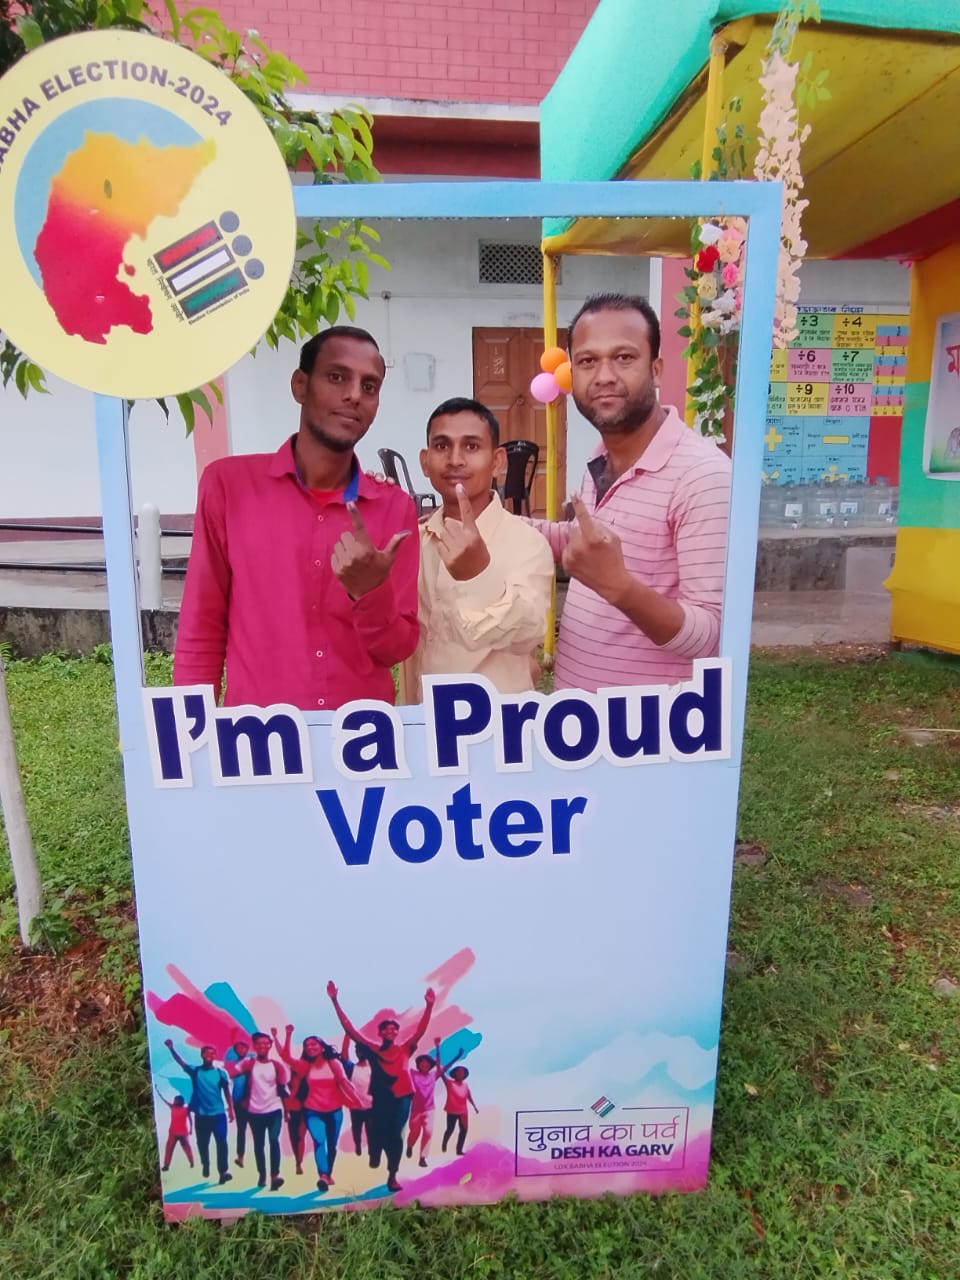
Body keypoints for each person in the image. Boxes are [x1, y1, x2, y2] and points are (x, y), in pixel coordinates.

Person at [174, 325, 420, 710]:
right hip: (260, 739)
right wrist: (190, 733)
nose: (354, 395)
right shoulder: (230, 487)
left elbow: (397, 649)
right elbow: (202, 625)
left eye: (369, 386)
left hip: (360, 743)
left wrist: (370, 592)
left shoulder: (394, 507)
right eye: (337, 377)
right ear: (300, 386)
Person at [530, 294, 731, 691]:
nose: (604, 375)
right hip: (580, 723)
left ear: (656, 370)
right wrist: (486, 523)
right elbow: (578, 542)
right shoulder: (602, 457)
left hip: (645, 737)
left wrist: (620, 587)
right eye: (588, 361)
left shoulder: (702, 475)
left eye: (624, 358)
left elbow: (711, 635)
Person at [404, 397, 553, 700]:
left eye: (471, 446)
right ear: (425, 460)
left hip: (496, 727)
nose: (455, 459)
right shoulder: (414, 543)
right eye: (442, 446)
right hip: (421, 722)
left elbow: (527, 632)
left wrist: (478, 575)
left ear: (498, 461)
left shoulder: (526, 543)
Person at [326, 980, 435, 1193]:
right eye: (386, 1028)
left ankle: (392, 1174)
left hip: (403, 1097)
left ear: (396, 1032)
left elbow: (420, 1031)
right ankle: (375, 1151)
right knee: (377, 1132)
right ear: (381, 1033)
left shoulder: (405, 1049)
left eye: (394, 1028)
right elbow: (350, 1029)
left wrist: (429, 1005)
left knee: (396, 1135)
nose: (391, 1030)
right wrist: (335, 1001)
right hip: (381, 1097)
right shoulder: (374, 1050)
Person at [273, 1030, 363, 1193]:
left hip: (334, 1111)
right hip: (313, 1110)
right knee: (319, 1141)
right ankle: (322, 1175)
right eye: (307, 1045)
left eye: (314, 1044)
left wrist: (357, 1100)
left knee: (332, 1144)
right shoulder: (304, 1066)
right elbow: (285, 1057)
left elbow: (344, 1082)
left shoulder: (334, 1063)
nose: (310, 1047)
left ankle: (328, 1174)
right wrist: (287, 1035)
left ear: (322, 1047)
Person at [163, 1040, 234, 1184]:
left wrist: (231, 1110)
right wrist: (171, 1048)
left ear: (215, 1056)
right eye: (206, 1053)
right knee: (203, 1144)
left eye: (212, 1053)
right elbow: (181, 1062)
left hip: (219, 1114)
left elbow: (227, 1092)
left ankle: (223, 1172)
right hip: (202, 1115)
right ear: (202, 1055)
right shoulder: (195, 1071)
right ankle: (206, 1164)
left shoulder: (221, 1073)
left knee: (222, 1143)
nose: (209, 1055)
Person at [235, 1031, 288, 1191]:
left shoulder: (277, 1066)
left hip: (274, 1108)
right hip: (254, 1111)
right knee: (259, 1144)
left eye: (266, 1043)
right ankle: (262, 1175)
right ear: (254, 1046)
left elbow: (283, 1088)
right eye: (259, 1044)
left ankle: (275, 1176)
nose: (263, 1046)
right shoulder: (249, 1063)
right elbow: (234, 1076)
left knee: (273, 1140)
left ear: (270, 1045)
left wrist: (288, 1110)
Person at [406, 1037, 463, 1168]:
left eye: (427, 1063)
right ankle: (410, 1145)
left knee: (428, 1132)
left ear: (430, 1065)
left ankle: (422, 1157)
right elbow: (403, 1066)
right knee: (414, 1133)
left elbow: (446, 1065)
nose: (424, 1065)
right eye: (422, 1063)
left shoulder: (433, 1075)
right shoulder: (413, 1074)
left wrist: (442, 1050)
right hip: (415, 1110)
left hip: (429, 1109)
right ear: (418, 1064)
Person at [223, 1034, 254, 1169]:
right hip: (239, 1100)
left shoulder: (253, 1060)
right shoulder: (233, 1065)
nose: (241, 1050)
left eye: (244, 1047)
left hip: (254, 1101)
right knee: (241, 1129)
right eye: (238, 1048)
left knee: (257, 1131)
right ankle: (240, 1156)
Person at [342, 1038, 375, 1157]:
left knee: (371, 1130)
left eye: (362, 1050)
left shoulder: (374, 1069)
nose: (359, 1053)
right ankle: (358, 1145)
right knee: (357, 1129)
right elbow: (344, 1055)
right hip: (356, 1106)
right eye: (357, 1050)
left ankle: (372, 1152)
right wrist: (347, 1035)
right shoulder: (351, 1068)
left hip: (371, 1106)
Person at [440, 1064, 478, 1156]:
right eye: (459, 1072)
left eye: (463, 1072)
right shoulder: (449, 1083)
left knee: (464, 1130)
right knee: (450, 1129)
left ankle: (459, 1150)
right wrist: (456, 1057)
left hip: (463, 1112)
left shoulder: (465, 1085)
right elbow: (441, 1073)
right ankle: (444, 1143)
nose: (461, 1073)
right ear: (455, 1073)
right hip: (452, 1111)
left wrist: (474, 1107)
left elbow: (469, 1096)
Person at [157, 1091, 195, 1172]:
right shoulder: (173, 1107)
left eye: (176, 1100)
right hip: (174, 1133)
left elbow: (190, 1119)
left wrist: (191, 1129)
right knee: (169, 1149)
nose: (174, 1101)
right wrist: (158, 1092)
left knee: (186, 1148)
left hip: (182, 1133)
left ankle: (191, 1161)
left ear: (179, 1101)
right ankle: (166, 1165)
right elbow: (164, 1100)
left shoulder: (185, 1109)